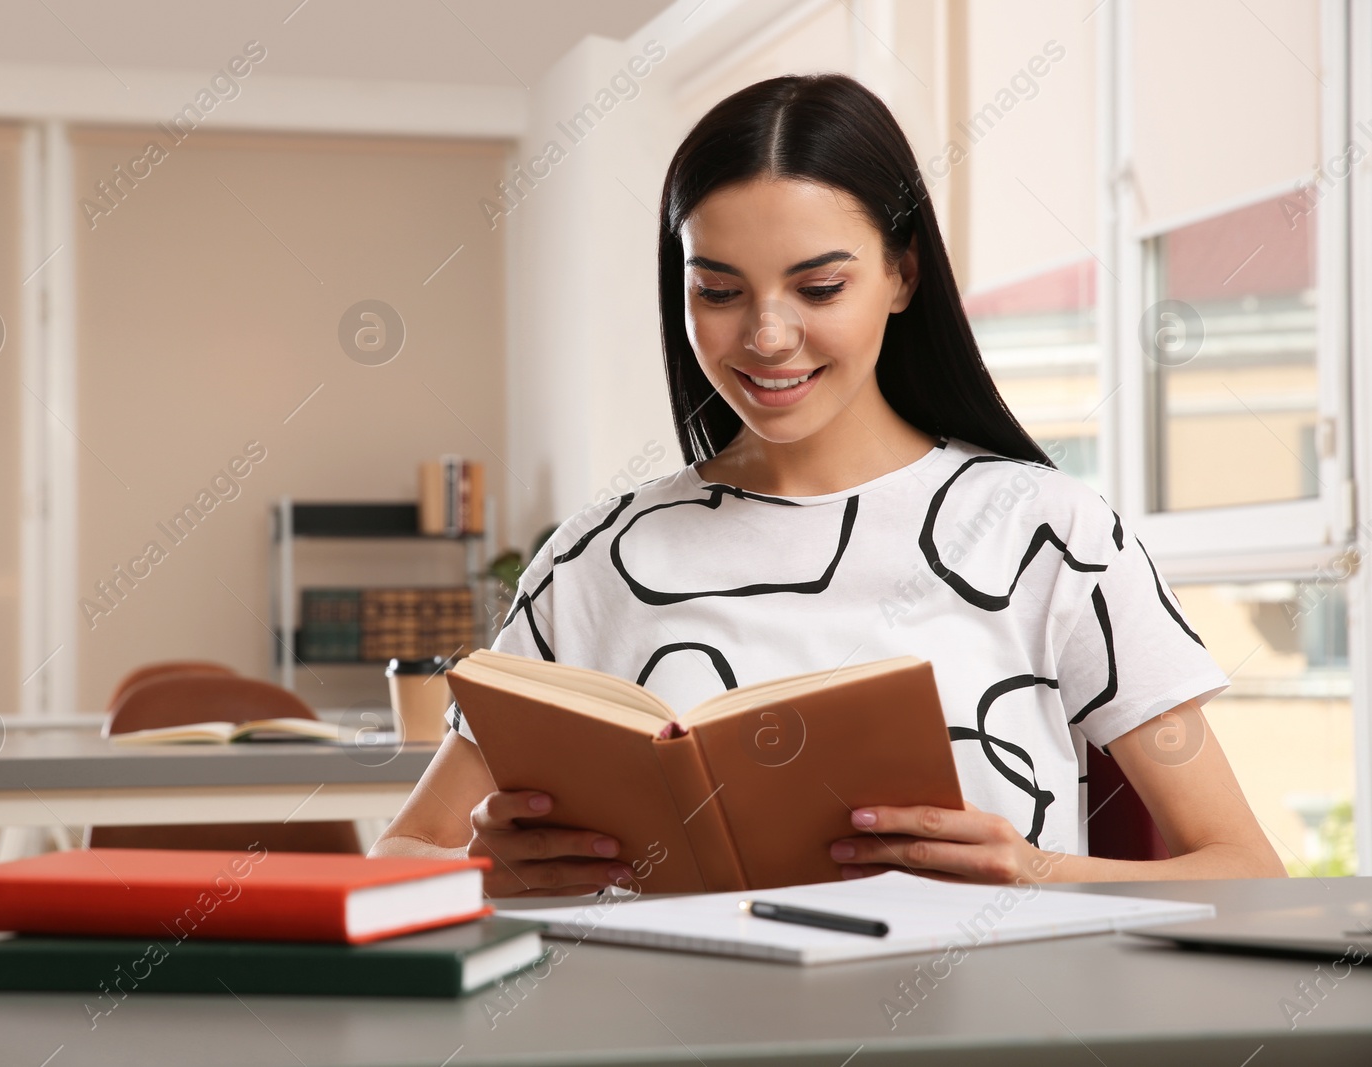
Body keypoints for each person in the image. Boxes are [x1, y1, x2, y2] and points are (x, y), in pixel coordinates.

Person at [370, 73, 1285, 895]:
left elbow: (1247, 869)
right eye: (719, 293)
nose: (767, 337)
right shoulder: (595, 557)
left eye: (818, 288)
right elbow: (409, 851)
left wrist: (1038, 868)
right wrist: (485, 872)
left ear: (901, 274)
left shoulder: (1048, 531)